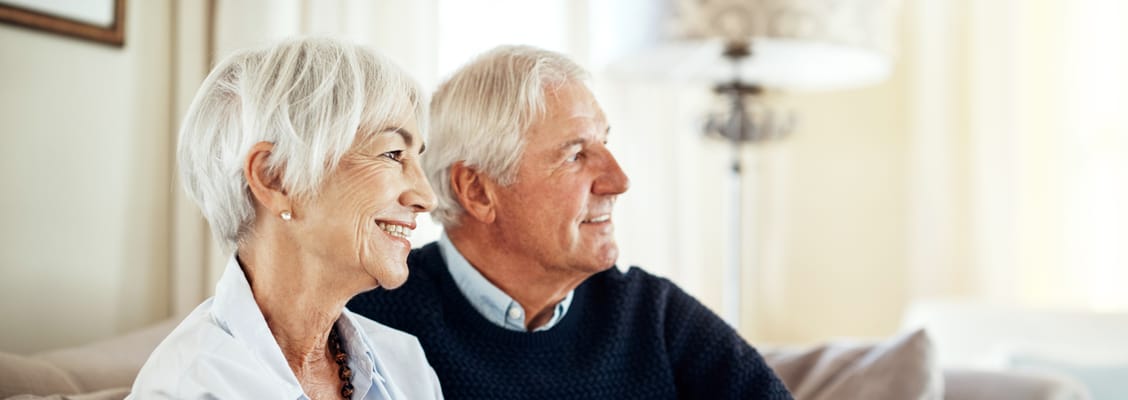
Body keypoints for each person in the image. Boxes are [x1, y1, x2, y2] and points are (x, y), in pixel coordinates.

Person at [348, 45, 792, 399]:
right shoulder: (369, 320)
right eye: (576, 155)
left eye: (604, 144)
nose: (618, 182)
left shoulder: (652, 315)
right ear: (478, 191)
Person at [130, 37, 443, 399]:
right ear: (275, 177)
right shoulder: (189, 387)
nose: (426, 198)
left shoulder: (406, 364)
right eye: (392, 154)